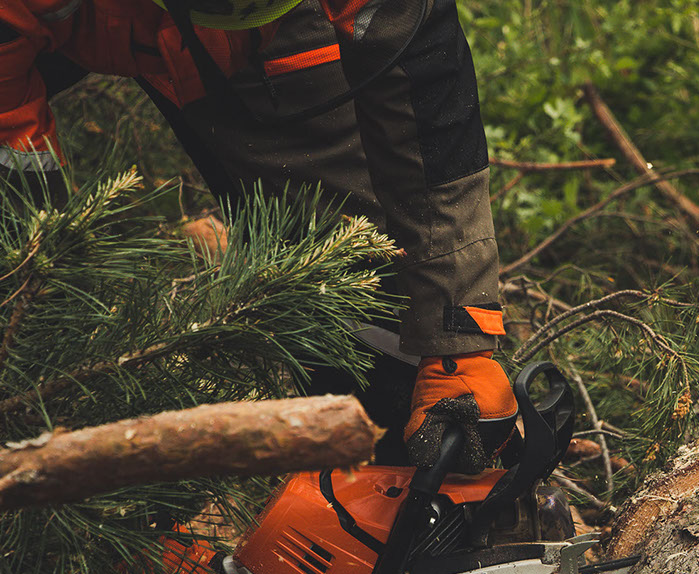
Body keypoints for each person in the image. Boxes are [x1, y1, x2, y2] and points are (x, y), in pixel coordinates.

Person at [0, 0, 517, 472]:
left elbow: (420, 72)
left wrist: (457, 341)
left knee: (348, 255)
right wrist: (29, 302)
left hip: (281, 26)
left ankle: (411, 471)